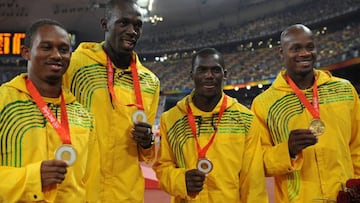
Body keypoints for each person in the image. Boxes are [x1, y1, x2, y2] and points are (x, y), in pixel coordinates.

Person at [63, 0, 160, 202]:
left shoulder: (150, 82)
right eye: (123, 23)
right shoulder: (76, 65)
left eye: (137, 25)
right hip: (83, 190)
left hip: (126, 193)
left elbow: (146, 153)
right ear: (105, 24)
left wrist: (147, 141)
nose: (132, 31)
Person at [251, 24, 360, 202]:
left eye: (310, 47)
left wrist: (357, 187)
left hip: (343, 196)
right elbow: (258, 163)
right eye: (296, 48)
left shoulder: (344, 90)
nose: (304, 53)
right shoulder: (263, 104)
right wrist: (287, 150)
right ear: (281, 53)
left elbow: (357, 145)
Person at [0, 18, 99, 202]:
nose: (56, 55)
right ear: (26, 52)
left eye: (63, 49)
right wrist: (32, 178)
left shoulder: (83, 116)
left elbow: (92, 183)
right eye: (46, 47)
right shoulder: (3, 103)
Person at [152, 48, 268, 202]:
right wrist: (181, 180)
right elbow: (163, 168)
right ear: (192, 74)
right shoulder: (171, 119)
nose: (209, 76)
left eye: (215, 70)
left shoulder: (245, 119)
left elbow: (253, 181)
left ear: (225, 75)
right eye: (202, 70)